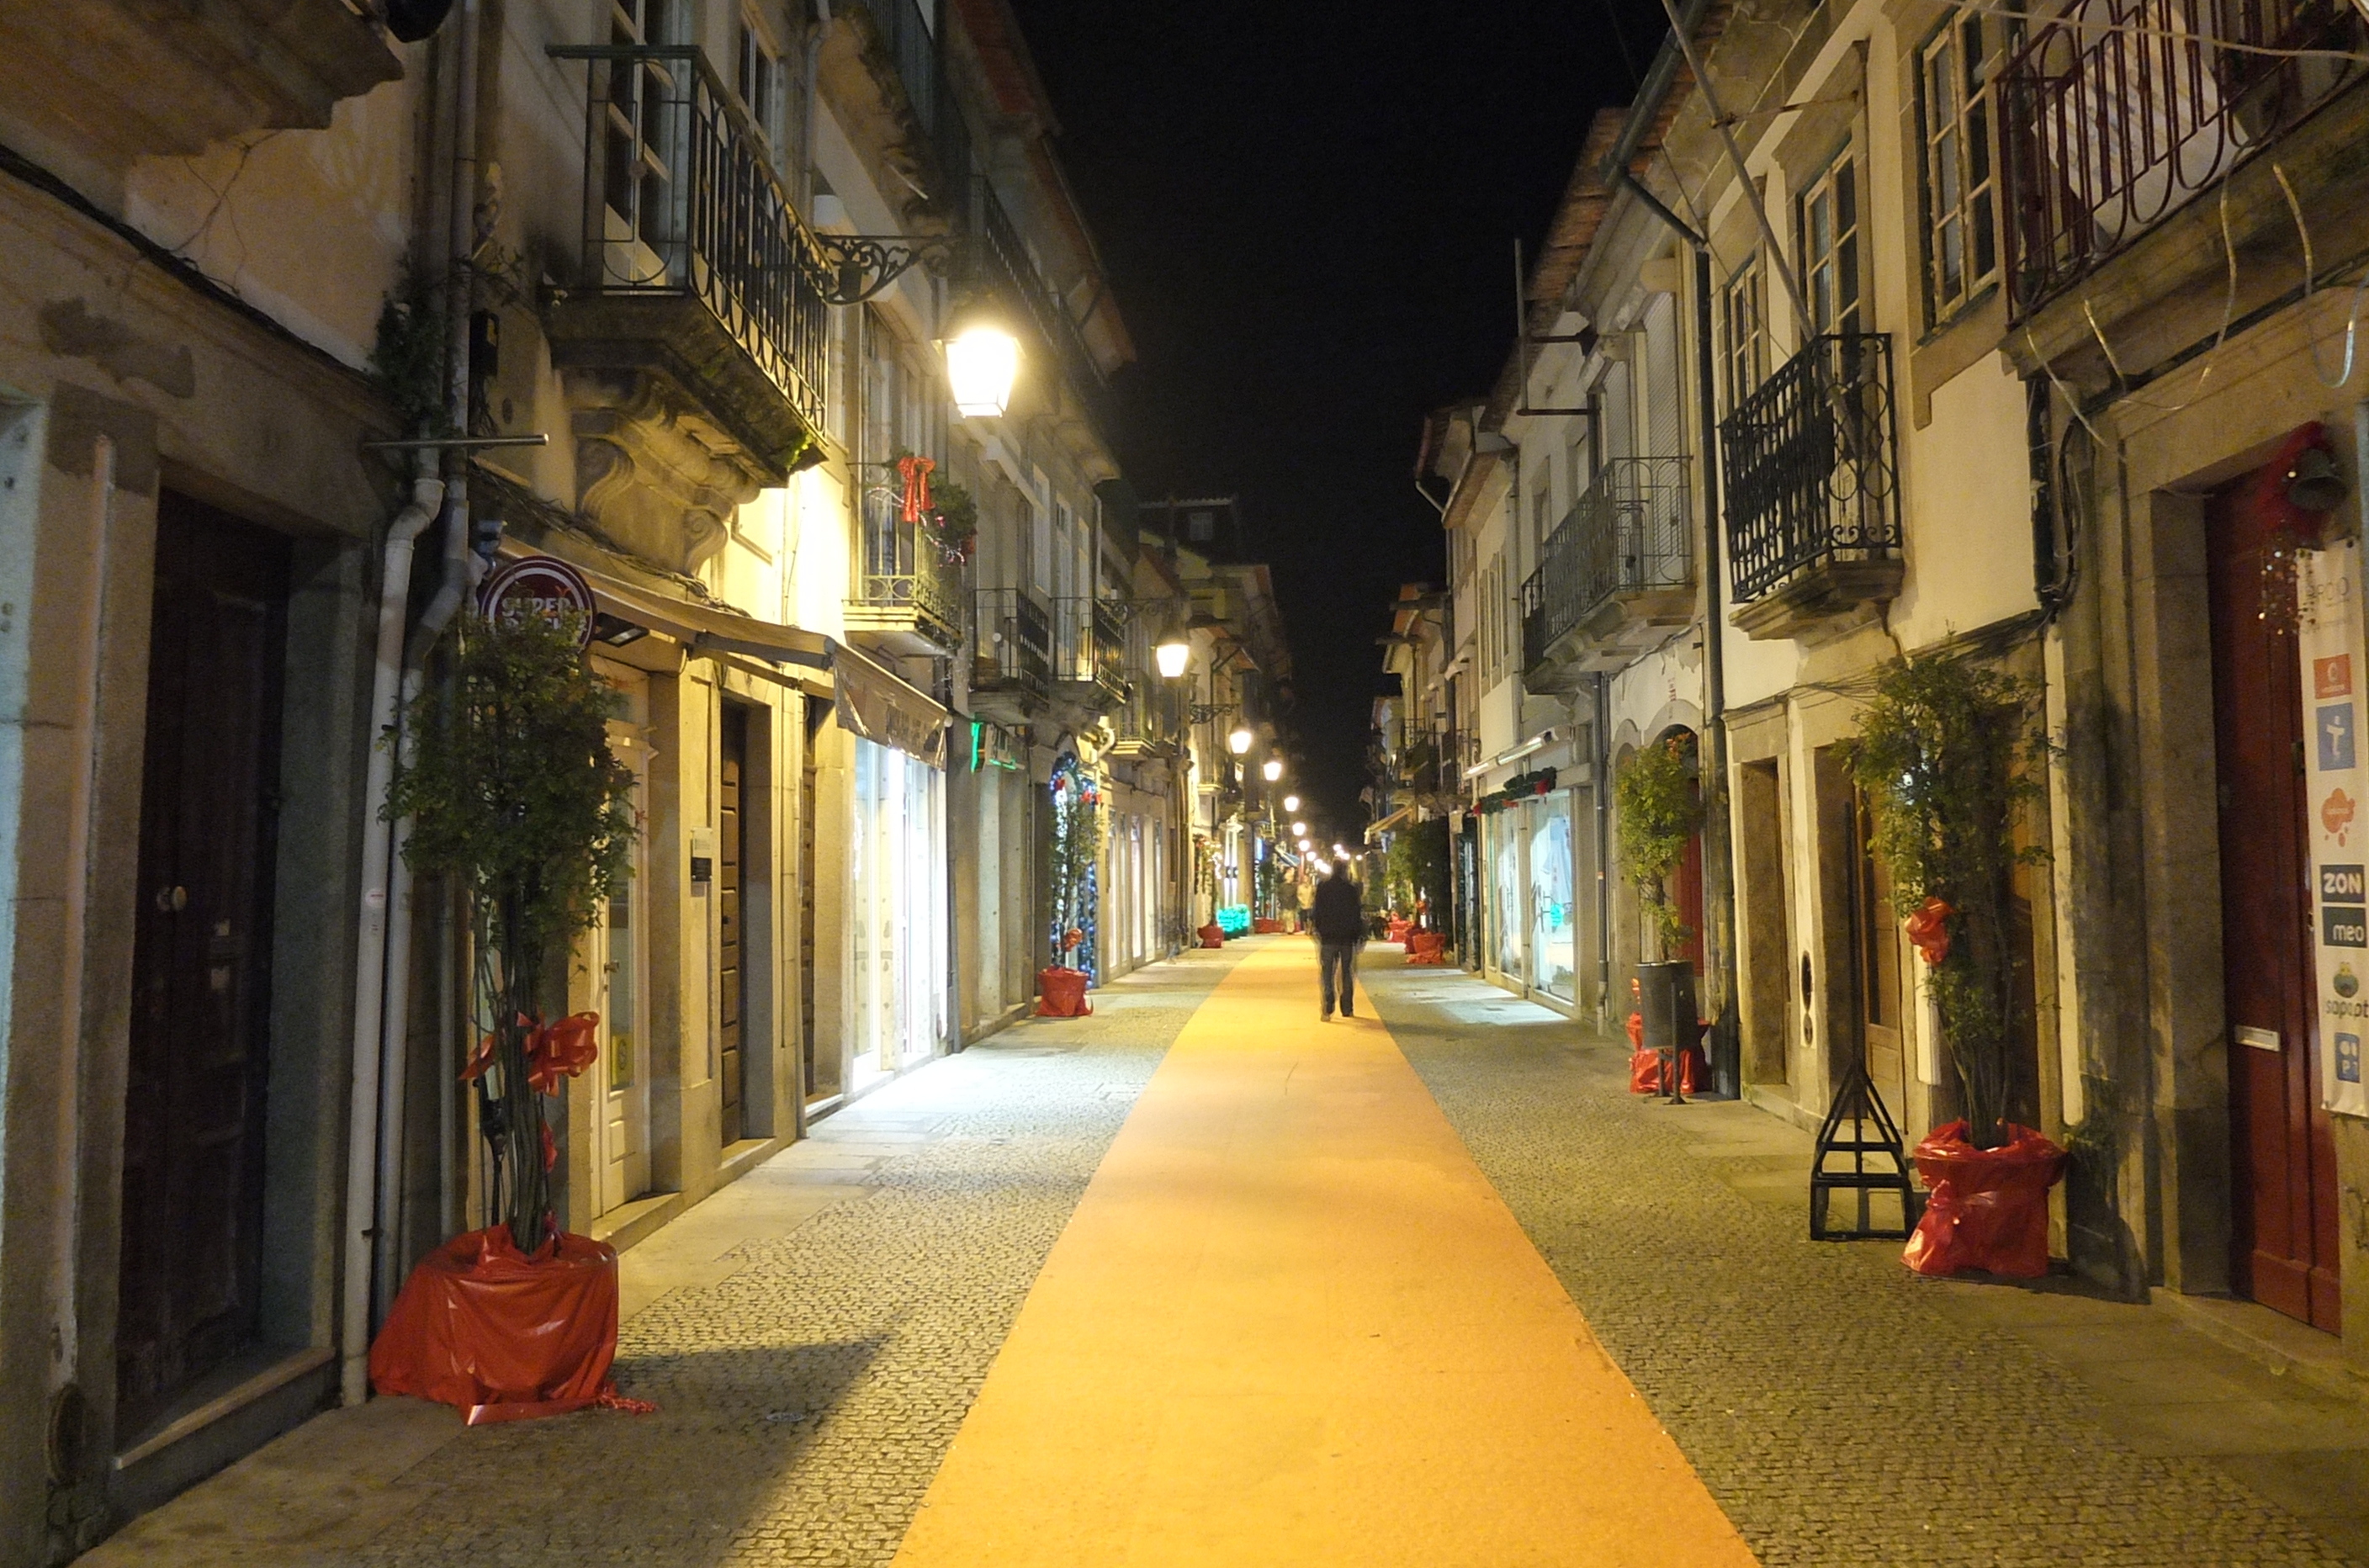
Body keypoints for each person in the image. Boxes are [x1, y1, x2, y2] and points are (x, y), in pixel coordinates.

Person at [1309, 865, 1365, 1020]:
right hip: (1347, 937)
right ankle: (1347, 1007)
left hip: (1328, 937)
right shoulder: (1351, 889)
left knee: (1327, 971)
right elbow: (1356, 913)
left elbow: (1317, 910)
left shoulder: (1323, 887)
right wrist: (1358, 935)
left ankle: (1328, 1002)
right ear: (1345, 871)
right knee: (1347, 971)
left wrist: (1318, 929)